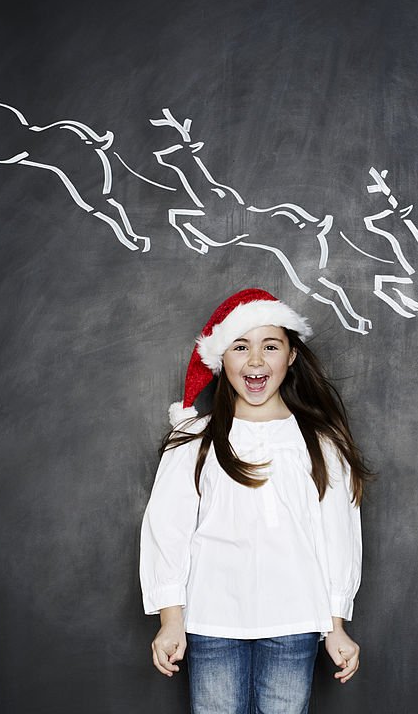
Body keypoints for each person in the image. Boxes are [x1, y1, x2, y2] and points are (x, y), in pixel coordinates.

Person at [140, 288, 372, 714]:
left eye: (270, 346)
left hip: (296, 619)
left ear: (292, 356)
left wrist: (335, 624)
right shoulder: (194, 440)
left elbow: (338, 534)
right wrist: (170, 619)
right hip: (212, 620)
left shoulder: (320, 444)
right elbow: (167, 530)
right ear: (220, 359)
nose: (255, 360)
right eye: (240, 346)